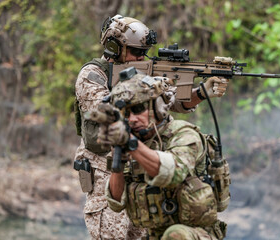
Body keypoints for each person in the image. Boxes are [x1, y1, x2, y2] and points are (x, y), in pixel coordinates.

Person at [74, 15, 228, 239]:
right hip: (105, 171)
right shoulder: (92, 75)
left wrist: (202, 92)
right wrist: (157, 86)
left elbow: (167, 105)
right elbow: (111, 112)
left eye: (144, 51)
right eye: (136, 51)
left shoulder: (143, 72)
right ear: (113, 47)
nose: (141, 56)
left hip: (143, 165)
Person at [100, 71, 227, 240]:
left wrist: (131, 144)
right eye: (126, 113)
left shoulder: (184, 134)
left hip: (195, 234)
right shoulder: (133, 142)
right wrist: (119, 155)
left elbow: (173, 173)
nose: (132, 119)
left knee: (175, 235)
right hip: (154, 235)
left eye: (138, 109)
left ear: (158, 106)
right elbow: (116, 202)